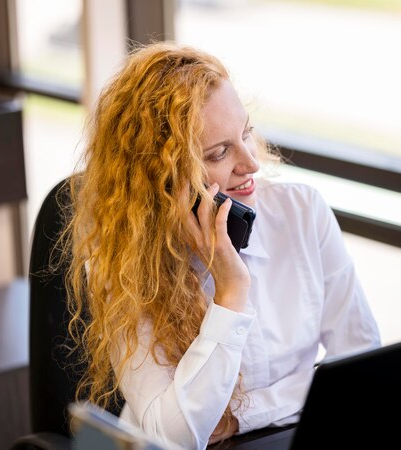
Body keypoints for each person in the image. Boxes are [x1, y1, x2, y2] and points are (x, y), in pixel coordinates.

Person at [61, 41, 381, 449]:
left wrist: (243, 414)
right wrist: (230, 292)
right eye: (219, 153)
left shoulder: (303, 213)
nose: (250, 163)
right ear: (161, 179)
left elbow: (362, 367)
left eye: (245, 132)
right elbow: (176, 437)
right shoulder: (124, 265)